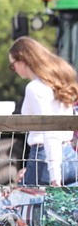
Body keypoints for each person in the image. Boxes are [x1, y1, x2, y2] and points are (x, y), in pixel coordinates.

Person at [8, 37, 78, 187]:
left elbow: (50, 131)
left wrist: (54, 176)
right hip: (70, 157)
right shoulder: (58, 82)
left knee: (23, 207)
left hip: (45, 158)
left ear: (22, 61)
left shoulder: (35, 88)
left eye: (12, 65)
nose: (14, 70)